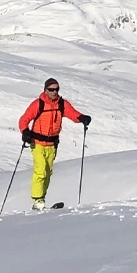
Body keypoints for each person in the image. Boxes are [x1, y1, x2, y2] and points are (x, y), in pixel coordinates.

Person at [18, 78, 91, 210]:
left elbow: (72, 114)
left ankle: (41, 199)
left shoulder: (61, 104)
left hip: (52, 145)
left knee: (48, 172)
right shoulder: (38, 104)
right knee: (40, 172)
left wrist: (82, 118)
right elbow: (24, 120)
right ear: (45, 90)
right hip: (37, 143)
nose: (54, 92)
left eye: (56, 89)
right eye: (51, 89)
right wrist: (25, 132)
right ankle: (37, 200)